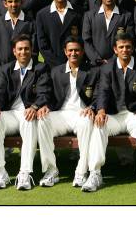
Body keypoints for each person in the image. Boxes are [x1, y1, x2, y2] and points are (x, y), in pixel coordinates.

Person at [82, 33, 136, 192]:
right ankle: (95, 174)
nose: (125, 50)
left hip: (134, 114)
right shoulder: (107, 67)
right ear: (115, 50)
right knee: (98, 125)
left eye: (128, 47)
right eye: (121, 47)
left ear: (133, 49)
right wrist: (101, 110)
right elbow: (103, 91)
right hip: (113, 115)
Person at [36, 36, 100, 188]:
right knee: (43, 120)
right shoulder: (56, 71)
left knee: (86, 122)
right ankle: (51, 170)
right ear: (65, 52)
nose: (73, 53)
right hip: (61, 114)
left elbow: (100, 94)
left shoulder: (92, 71)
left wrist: (92, 107)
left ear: (82, 52)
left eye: (77, 50)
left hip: (82, 114)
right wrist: (44, 105)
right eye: (70, 50)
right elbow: (48, 93)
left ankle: (81, 171)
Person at [0, 34, 47, 190]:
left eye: (27, 48)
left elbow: (44, 92)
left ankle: (25, 173)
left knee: (29, 120)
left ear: (32, 50)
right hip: (11, 113)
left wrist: (34, 107)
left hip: (28, 113)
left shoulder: (40, 68)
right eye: (20, 49)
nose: (23, 52)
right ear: (14, 51)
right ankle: (1, 172)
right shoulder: (5, 69)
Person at [82, 0, 134, 66]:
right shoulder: (89, 16)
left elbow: (129, 41)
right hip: (95, 65)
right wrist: (97, 59)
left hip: (118, 65)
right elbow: (86, 41)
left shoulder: (126, 16)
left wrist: (113, 60)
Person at [35, 0, 83, 68]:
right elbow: (42, 45)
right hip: (51, 66)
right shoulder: (42, 15)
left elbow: (82, 39)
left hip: (75, 64)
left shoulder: (79, 12)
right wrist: (57, 64)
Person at [0, 0, 37, 65]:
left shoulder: (31, 23)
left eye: (16, 1)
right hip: (1, 70)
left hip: (25, 69)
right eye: (10, 1)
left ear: (22, 1)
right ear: (5, 4)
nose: (13, 4)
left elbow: (34, 50)